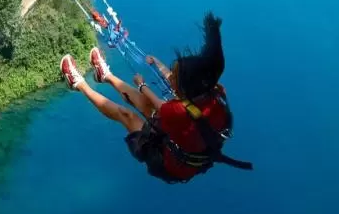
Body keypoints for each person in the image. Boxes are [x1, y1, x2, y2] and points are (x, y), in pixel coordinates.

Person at [59, 13, 252, 183]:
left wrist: (141, 85)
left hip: (166, 161)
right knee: (148, 107)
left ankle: (78, 83)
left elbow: (159, 105)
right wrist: (158, 64)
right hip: (185, 141)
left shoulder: (177, 110)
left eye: (174, 77)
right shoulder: (214, 91)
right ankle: (105, 76)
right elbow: (173, 84)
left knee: (129, 115)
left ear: (185, 89)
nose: (170, 78)